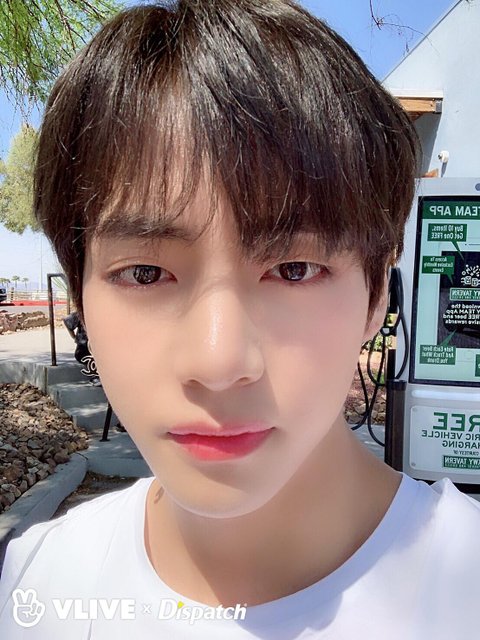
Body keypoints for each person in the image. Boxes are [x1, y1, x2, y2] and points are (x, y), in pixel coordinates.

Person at [1, 1, 479, 638]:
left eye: (294, 269)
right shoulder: (34, 585)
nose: (219, 362)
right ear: (81, 297)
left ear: (376, 293)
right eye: (144, 273)